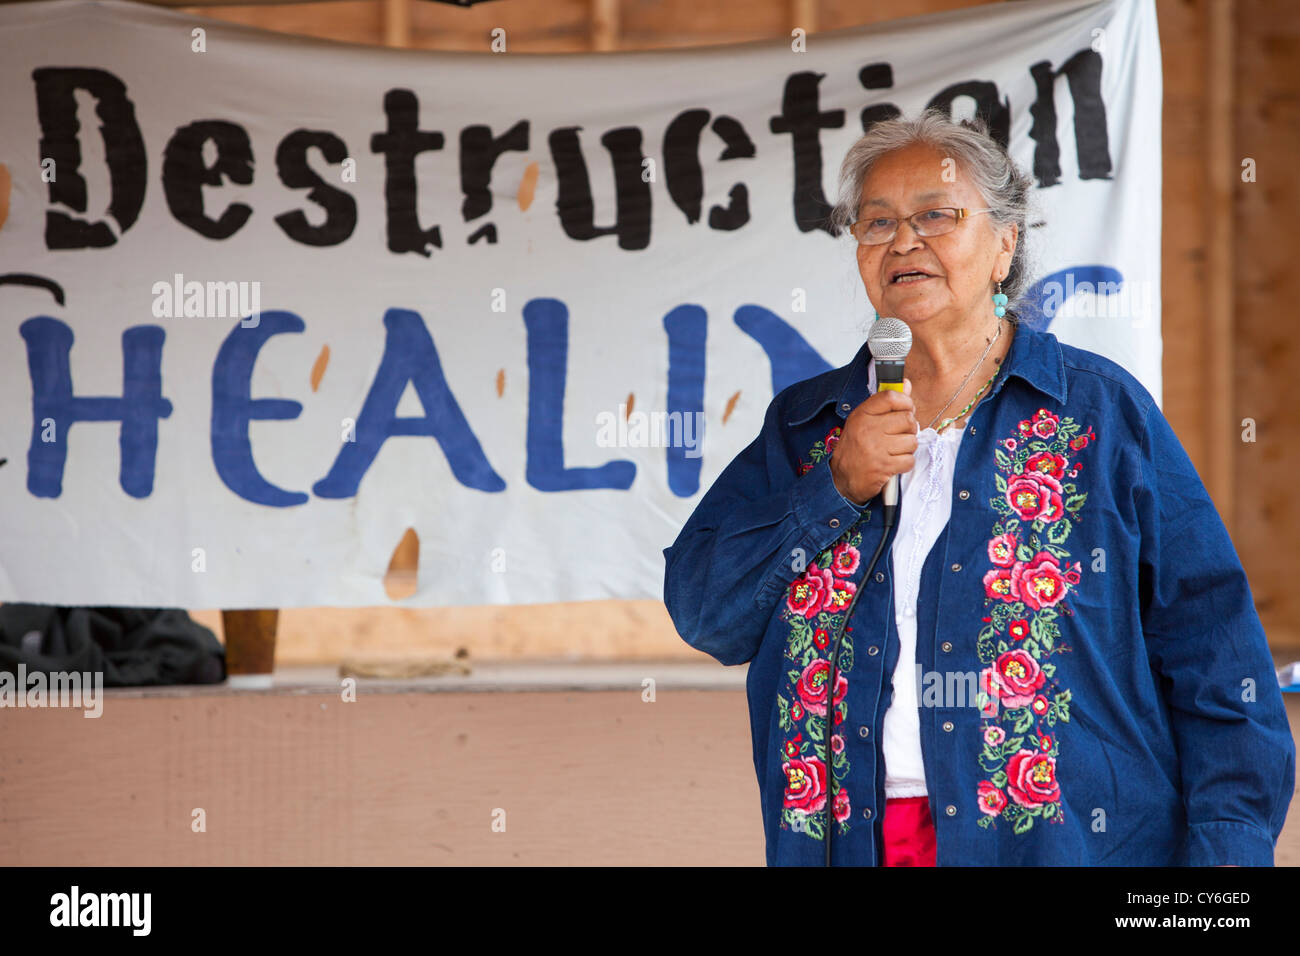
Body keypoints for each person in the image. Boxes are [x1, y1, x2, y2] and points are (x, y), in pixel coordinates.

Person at [661, 108, 1295, 866]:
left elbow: (1218, 662)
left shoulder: (1096, 414)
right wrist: (832, 488)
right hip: (850, 843)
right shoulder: (808, 429)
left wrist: (1222, 871)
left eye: (936, 215)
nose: (904, 241)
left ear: (1004, 244)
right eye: (877, 223)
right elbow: (706, 614)